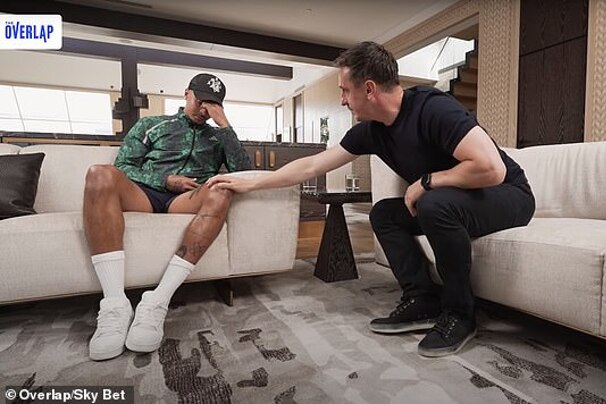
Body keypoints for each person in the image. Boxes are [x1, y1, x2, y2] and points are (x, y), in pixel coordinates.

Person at [208, 42, 535, 357]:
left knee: (433, 203)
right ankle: (422, 300)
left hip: (507, 195)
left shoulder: (434, 108)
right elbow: (311, 165)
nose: (341, 100)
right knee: (385, 214)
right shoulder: (373, 131)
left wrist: (428, 182)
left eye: (344, 91)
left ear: (368, 89)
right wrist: (252, 182)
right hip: (457, 202)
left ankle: (461, 314)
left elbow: (491, 169)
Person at [84, 73, 250, 361]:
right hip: (144, 194)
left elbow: (243, 173)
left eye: (212, 105)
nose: (204, 110)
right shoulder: (152, 124)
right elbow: (124, 165)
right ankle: (114, 305)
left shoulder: (218, 137)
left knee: (223, 188)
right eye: (200, 101)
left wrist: (225, 125)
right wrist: (165, 180)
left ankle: (157, 301)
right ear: (187, 94)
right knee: (99, 174)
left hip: (186, 200)